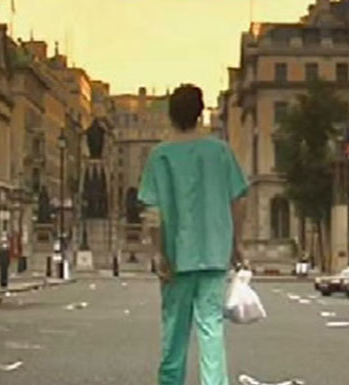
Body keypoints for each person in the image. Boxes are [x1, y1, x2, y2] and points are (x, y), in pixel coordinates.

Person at [138, 84, 248, 385]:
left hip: (176, 256)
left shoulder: (160, 156)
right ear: (200, 114)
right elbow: (239, 199)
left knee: (174, 331)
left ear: (171, 116)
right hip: (214, 252)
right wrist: (236, 242)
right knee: (211, 327)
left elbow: (152, 211)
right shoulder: (221, 152)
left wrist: (158, 251)